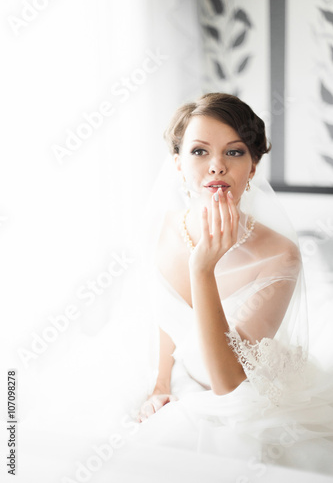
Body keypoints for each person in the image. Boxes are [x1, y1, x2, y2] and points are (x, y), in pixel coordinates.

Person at [108, 93, 333, 481]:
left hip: (247, 397)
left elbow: (228, 384)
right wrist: (161, 384)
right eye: (199, 151)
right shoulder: (161, 227)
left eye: (234, 152)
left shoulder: (281, 256)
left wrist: (203, 269)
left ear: (253, 166)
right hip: (185, 375)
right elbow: (166, 314)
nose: (216, 167)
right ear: (177, 165)